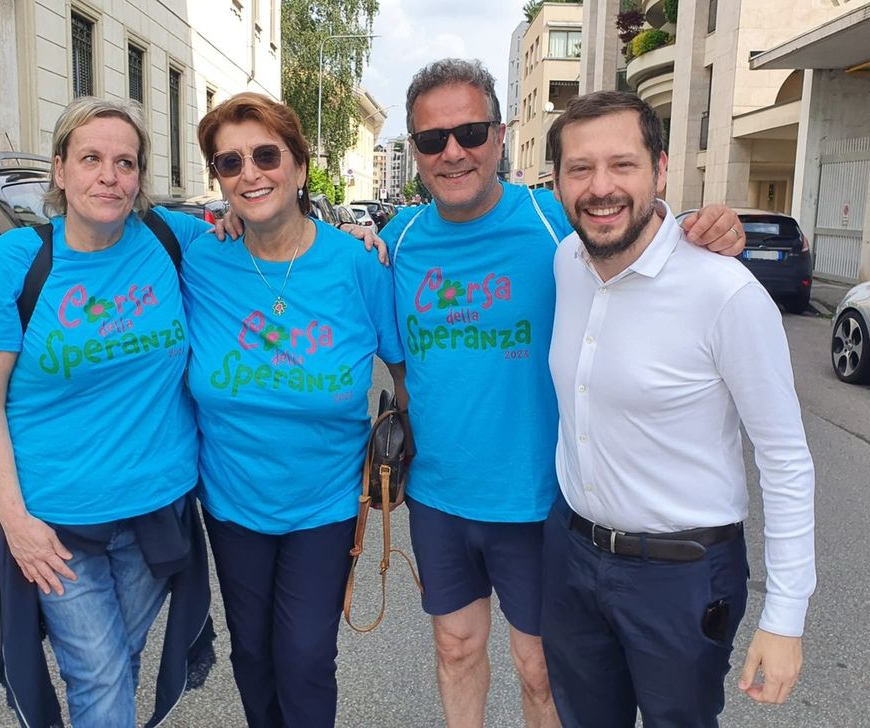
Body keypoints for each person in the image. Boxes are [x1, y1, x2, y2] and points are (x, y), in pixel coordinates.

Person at [378, 58, 746, 728]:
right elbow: (394, 362)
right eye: (432, 139)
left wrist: (703, 224)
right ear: (416, 150)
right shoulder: (395, 242)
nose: (453, 152)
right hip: (439, 496)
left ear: (500, 135)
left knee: (540, 669)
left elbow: (635, 226)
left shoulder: (557, 222)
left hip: (540, 500)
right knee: (455, 648)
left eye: (470, 132)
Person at [541, 90, 816, 726]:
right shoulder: (566, 262)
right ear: (556, 182)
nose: (600, 187)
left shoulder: (724, 291)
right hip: (574, 554)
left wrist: (785, 617)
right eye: (580, 168)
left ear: (660, 170)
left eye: (623, 164)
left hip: (682, 575)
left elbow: (784, 457)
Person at [0, 97, 215, 728]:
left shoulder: (171, 239)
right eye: (91, 159)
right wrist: (15, 522)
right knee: (99, 674)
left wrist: (354, 241)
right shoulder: (15, 262)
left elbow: (266, 245)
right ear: (60, 169)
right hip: (58, 525)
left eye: (125, 163)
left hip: (156, 511)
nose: (109, 177)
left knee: (117, 664)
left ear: (140, 175)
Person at [183, 92, 406, 728]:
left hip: (324, 504)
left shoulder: (356, 263)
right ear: (219, 179)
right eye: (230, 163)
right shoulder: (199, 258)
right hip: (232, 501)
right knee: (253, 654)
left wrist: (409, 454)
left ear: (300, 167)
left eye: (266, 155)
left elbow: (401, 372)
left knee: (305, 657)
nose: (250, 173)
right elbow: (121, 222)